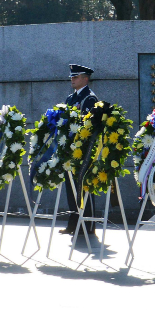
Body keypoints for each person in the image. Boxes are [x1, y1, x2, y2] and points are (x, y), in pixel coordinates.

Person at [61, 64, 100, 236]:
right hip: (70, 149)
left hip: (83, 150)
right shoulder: (70, 99)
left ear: (86, 78)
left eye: (76, 77)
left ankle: (88, 225)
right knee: (70, 187)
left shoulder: (90, 99)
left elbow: (89, 126)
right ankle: (74, 222)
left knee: (83, 187)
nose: (72, 79)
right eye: (72, 77)